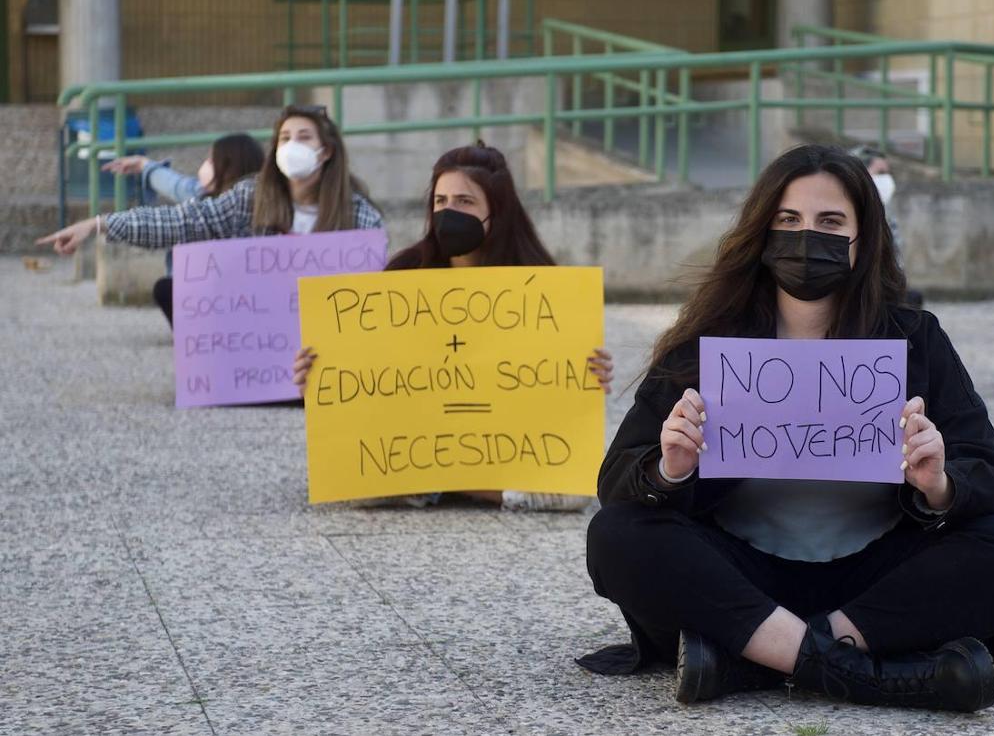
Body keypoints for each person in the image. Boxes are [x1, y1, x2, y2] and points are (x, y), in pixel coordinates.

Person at [578, 144, 994, 713]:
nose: (807, 238)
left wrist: (939, 484)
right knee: (615, 536)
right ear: (761, 233)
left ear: (863, 238)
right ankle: (867, 672)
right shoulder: (707, 342)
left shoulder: (914, 338)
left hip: (876, 581)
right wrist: (669, 469)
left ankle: (754, 660)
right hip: (739, 573)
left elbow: (992, 472)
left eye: (830, 222)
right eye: (788, 220)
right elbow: (617, 481)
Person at [293, 142, 614, 512]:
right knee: (353, 484)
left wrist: (590, 374)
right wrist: (318, 377)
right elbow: (366, 374)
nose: (449, 212)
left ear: (497, 211)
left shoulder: (541, 286)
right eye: (440, 201)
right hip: (413, 445)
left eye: (465, 201)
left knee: (573, 494)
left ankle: (459, 484)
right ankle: (448, 480)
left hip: (506, 448)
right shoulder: (403, 276)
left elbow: (557, 387)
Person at [37, 105, 382, 257]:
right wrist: (98, 224)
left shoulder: (359, 216)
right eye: (284, 138)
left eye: (304, 137)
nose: (292, 146)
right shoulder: (250, 198)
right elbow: (181, 222)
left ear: (326, 151)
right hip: (262, 345)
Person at [101, 134, 265, 324]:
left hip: (245, 298)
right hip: (209, 301)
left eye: (211, 160)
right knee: (166, 288)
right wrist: (143, 165)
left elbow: (174, 206)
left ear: (228, 167)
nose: (205, 165)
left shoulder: (257, 202)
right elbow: (175, 186)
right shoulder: (202, 194)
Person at [849, 145, 923, 308]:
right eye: (880, 173)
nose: (886, 179)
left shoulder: (886, 211)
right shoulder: (848, 214)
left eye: (887, 173)